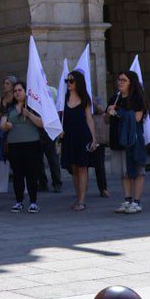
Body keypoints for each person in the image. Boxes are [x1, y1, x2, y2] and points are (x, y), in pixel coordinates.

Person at [107, 71, 148, 214]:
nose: (120, 82)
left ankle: (137, 202)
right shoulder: (115, 98)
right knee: (124, 172)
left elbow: (137, 117)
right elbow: (108, 120)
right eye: (119, 80)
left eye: (123, 80)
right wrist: (108, 112)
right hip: (118, 139)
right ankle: (127, 199)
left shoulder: (137, 98)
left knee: (137, 170)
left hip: (133, 140)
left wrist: (118, 113)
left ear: (131, 82)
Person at [0, 81, 44, 213]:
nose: (17, 93)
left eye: (20, 90)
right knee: (18, 174)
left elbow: (41, 123)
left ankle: (33, 201)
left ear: (25, 92)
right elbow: (2, 124)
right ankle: (18, 201)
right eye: (15, 91)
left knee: (31, 173)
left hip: (32, 143)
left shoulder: (34, 106)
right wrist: (5, 126)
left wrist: (29, 114)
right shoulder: (9, 107)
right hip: (14, 145)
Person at [59, 71, 99, 211]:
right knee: (73, 167)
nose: (68, 83)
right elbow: (59, 117)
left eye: (71, 81)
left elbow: (89, 119)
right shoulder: (63, 99)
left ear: (78, 83)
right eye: (67, 81)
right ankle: (78, 197)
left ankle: (82, 200)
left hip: (82, 135)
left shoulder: (84, 99)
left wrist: (94, 138)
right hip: (68, 136)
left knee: (82, 166)